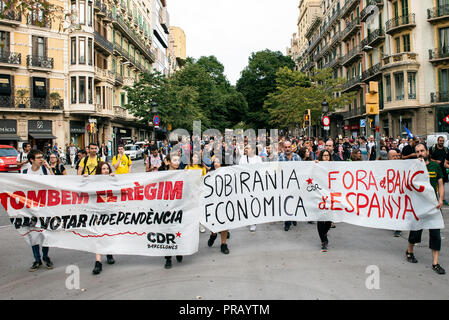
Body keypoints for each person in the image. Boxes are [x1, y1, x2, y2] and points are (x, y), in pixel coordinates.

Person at [405, 143, 445, 275]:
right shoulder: (413, 167)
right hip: (418, 206)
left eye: (422, 151)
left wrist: (440, 200)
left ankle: (435, 262)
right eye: (417, 152)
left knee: (435, 234)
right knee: (416, 231)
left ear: (427, 151)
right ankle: (410, 252)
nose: (420, 153)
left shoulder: (435, 166)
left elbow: (440, 185)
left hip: (433, 206)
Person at [23, 149, 54, 271]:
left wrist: (49, 168)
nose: (42, 159)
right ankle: (37, 259)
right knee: (33, 235)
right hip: (30, 208)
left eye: (42, 157)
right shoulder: (25, 172)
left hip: (44, 207)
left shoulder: (45, 170)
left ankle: (46, 256)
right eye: (39, 157)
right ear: (31, 160)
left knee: (45, 234)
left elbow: (55, 183)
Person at [92, 162, 116, 275]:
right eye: (103, 169)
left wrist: (114, 179)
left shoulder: (113, 181)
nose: (106, 171)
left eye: (107, 169)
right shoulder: (94, 182)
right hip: (98, 212)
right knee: (98, 235)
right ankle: (98, 262)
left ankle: (109, 254)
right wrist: (85, 179)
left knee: (108, 233)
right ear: (99, 171)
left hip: (110, 211)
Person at [163, 153, 184, 269]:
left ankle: (179, 250)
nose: (176, 162)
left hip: (179, 206)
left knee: (178, 230)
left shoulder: (182, 174)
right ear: (168, 161)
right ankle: (168, 257)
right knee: (167, 232)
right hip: (166, 207)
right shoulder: (162, 174)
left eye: (178, 160)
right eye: (174, 160)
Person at [207, 157, 230, 254]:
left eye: (218, 162)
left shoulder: (227, 174)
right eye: (215, 162)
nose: (216, 164)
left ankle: (223, 244)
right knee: (215, 223)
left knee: (225, 223)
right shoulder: (210, 174)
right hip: (213, 202)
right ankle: (213, 234)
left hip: (225, 202)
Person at [278, 141, 301, 231]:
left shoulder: (297, 157)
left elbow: (303, 168)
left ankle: (294, 217)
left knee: (295, 202)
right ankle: (287, 223)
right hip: (285, 185)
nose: (287, 149)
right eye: (286, 147)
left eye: (289, 147)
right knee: (287, 203)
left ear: (292, 147)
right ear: (283, 148)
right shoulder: (280, 158)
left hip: (295, 184)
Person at [239, 144, 263, 232]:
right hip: (245, 183)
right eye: (245, 148)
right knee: (246, 202)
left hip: (255, 183)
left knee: (254, 202)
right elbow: (240, 169)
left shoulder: (258, 159)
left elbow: (260, 170)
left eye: (248, 148)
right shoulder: (242, 158)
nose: (246, 149)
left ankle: (253, 222)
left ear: (252, 150)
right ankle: (248, 219)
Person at [315, 150, 333, 252]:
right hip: (320, 195)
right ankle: (323, 240)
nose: (326, 157)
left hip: (331, 195)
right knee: (321, 218)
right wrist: (315, 164)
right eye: (324, 156)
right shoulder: (317, 166)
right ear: (321, 157)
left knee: (329, 218)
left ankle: (325, 233)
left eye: (327, 156)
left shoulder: (334, 166)